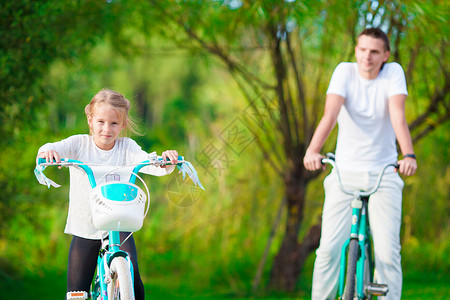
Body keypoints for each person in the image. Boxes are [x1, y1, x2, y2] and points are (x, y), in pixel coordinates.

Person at [303, 28, 417, 300]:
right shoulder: (344, 72)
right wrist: (313, 150)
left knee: (389, 254)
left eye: (375, 51)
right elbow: (330, 114)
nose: (367, 57)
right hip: (344, 173)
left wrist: (408, 155)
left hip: (384, 173)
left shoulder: (393, 74)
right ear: (356, 50)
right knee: (328, 250)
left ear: (385, 55)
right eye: (363, 50)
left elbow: (398, 117)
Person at [37, 89, 179, 300]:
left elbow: (149, 161)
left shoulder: (127, 147)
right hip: (85, 226)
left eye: (114, 123)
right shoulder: (79, 144)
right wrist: (47, 153)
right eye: (101, 121)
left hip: (119, 225)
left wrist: (165, 160)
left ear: (123, 124)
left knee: (132, 276)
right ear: (90, 120)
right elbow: (51, 147)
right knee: (77, 291)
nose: (106, 129)